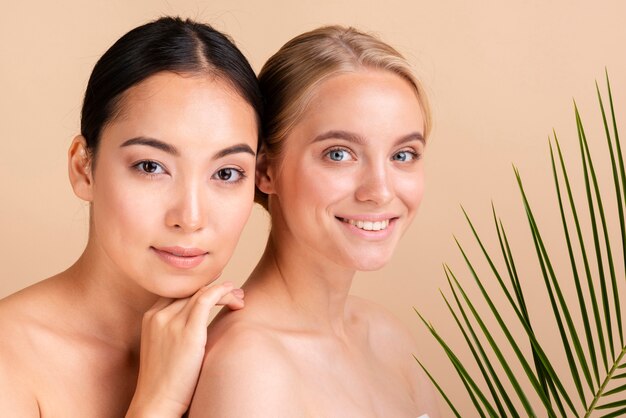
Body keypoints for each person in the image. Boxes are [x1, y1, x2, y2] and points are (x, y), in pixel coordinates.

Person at [0, 17, 262, 417]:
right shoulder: (10, 356)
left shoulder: (245, 358)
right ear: (83, 168)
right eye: (151, 167)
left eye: (226, 173)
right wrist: (157, 402)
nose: (190, 217)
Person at [189, 25, 439, 417]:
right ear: (265, 170)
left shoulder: (388, 338)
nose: (380, 190)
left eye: (403, 155)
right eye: (339, 154)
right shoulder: (248, 367)